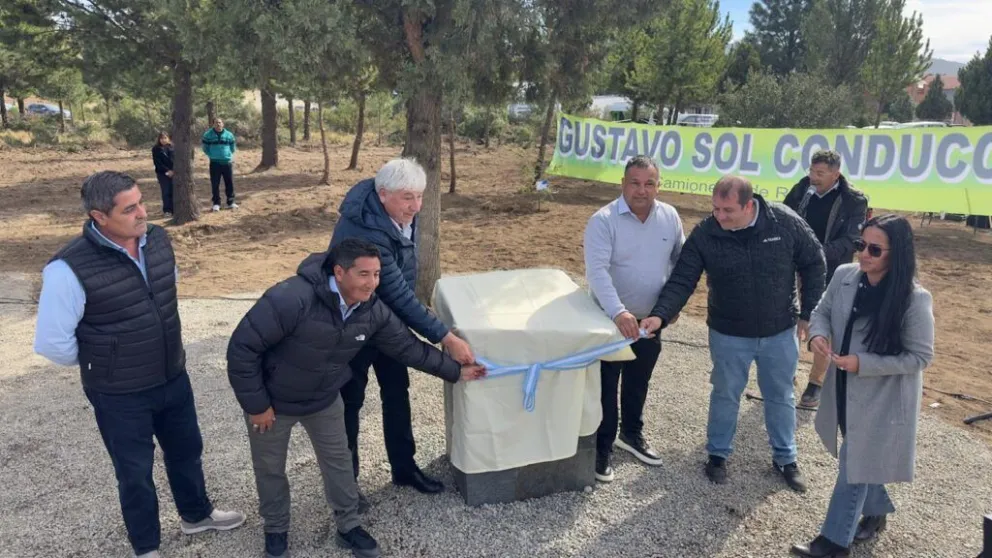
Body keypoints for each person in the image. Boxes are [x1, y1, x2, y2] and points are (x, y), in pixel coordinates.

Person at [227, 238, 485, 558]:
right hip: (273, 403)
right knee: (270, 468)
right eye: (364, 274)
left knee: (339, 463)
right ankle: (276, 529)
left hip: (324, 400)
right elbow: (242, 349)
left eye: (376, 274)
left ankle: (348, 525)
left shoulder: (372, 309)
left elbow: (407, 347)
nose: (372, 283)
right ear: (339, 272)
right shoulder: (291, 298)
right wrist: (257, 406)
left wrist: (455, 371)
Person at [33, 171, 245, 558]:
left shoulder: (158, 240)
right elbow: (53, 344)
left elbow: (164, 291)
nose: (143, 212)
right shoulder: (66, 269)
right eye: (129, 209)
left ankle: (196, 515)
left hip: (172, 375)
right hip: (119, 394)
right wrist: (108, 361)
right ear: (99, 216)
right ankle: (146, 547)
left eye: (141, 202)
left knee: (187, 451)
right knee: (134, 473)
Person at [641, 175, 826, 492]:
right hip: (728, 332)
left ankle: (786, 458)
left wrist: (809, 313)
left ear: (749, 205)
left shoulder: (783, 222)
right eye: (715, 208)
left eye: (727, 210)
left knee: (781, 395)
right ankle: (717, 455)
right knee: (725, 393)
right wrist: (660, 315)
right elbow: (683, 278)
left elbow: (814, 262)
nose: (719, 216)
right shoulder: (706, 233)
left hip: (779, 330)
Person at [329, 158, 475, 501]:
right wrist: (446, 337)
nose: (416, 206)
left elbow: (402, 280)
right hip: (354, 324)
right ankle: (346, 485)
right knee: (350, 401)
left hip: (388, 320)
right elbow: (395, 290)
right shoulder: (366, 231)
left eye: (420, 196)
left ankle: (404, 467)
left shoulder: (400, 211)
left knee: (397, 391)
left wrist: (417, 315)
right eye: (408, 197)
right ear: (383, 194)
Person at [791, 215, 934, 557]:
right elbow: (821, 312)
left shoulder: (915, 298)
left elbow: (920, 357)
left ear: (897, 254)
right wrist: (818, 335)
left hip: (884, 398)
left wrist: (863, 363)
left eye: (874, 249)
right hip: (843, 387)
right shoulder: (844, 276)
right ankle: (876, 512)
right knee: (863, 456)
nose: (864, 254)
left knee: (854, 463)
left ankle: (832, 543)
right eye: (861, 245)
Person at [583, 155, 685, 483]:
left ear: (658, 186)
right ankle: (602, 446)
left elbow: (680, 265)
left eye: (649, 183)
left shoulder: (670, 217)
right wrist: (618, 312)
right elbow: (597, 272)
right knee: (606, 387)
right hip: (609, 321)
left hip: (650, 322)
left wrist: (668, 308)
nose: (642, 190)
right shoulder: (603, 221)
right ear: (622, 184)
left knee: (639, 381)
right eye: (635, 183)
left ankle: (631, 433)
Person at [784, 149, 869, 410]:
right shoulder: (801, 190)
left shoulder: (854, 200)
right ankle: (786, 372)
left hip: (830, 270)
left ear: (836, 174)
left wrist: (817, 253)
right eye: (811, 170)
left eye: (820, 173)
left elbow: (851, 240)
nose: (813, 177)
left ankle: (816, 382)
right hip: (795, 266)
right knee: (789, 317)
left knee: (822, 325)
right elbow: (783, 218)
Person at [201, 117, 237, 212]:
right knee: (215, 183)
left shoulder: (229, 135)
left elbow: (233, 147)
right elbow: (205, 148)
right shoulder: (208, 135)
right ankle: (216, 203)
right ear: (213, 124)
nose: (218, 124)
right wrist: (212, 155)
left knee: (229, 182)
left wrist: (228, 155)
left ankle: (231, 202)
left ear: (223, 124)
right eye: (216, 123)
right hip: (214, 163)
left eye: (220, 122)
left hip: (227, 163)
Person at [151, 131, 174, 217]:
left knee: (174, 191)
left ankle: (175, 209)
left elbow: (176, 160)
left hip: (174, 173)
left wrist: (173, 170)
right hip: (162, 173)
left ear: (168, 138)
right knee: (166, 191)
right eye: (161, 138)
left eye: (165, 138)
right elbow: (157, 163)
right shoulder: (156, 149)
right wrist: (167, 171)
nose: (163, 140)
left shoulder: (173, 147)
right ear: (159, 139)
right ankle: (167, 210)